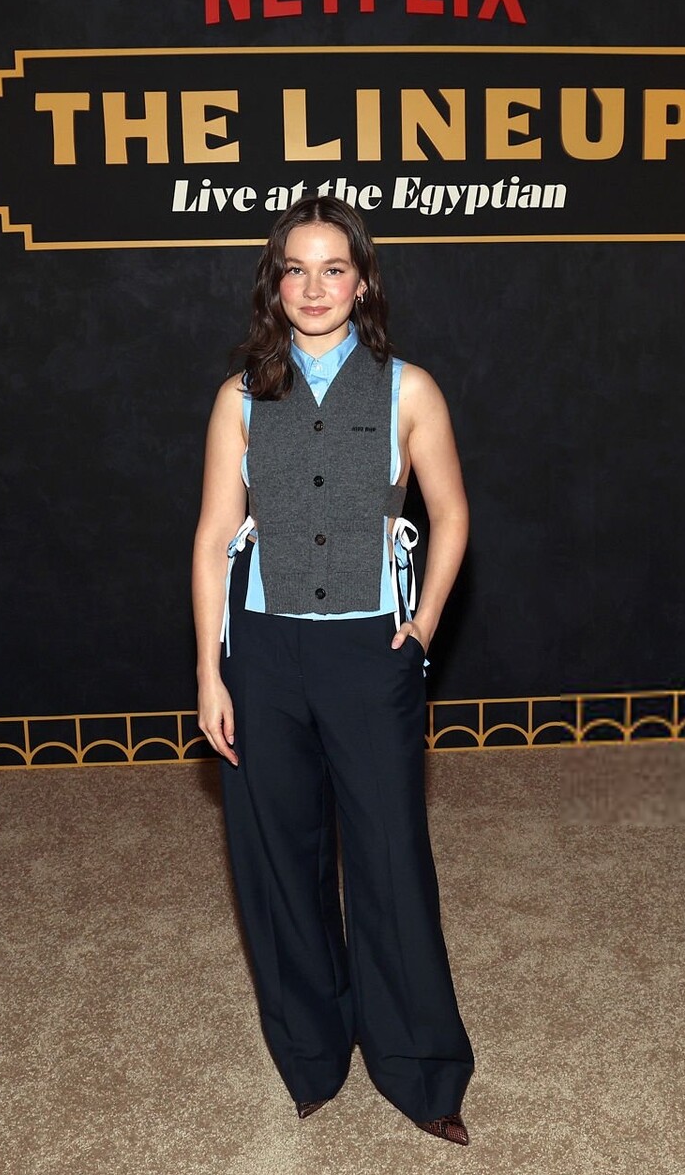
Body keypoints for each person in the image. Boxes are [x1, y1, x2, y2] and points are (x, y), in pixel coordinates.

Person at [191, 195, 476, 1145]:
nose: (314, 288)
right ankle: (311, 1055)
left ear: (362, 282)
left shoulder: (409, 390)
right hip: (262, 654)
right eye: (296, 269)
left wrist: (422, 628)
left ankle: (420, 1068)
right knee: (279, 861)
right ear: (275, 284)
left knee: (391, 858)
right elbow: (213, 537)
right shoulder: (239, 397)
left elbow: (451, 514)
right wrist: (210, 670)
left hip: (369, 653)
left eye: (334, 269)